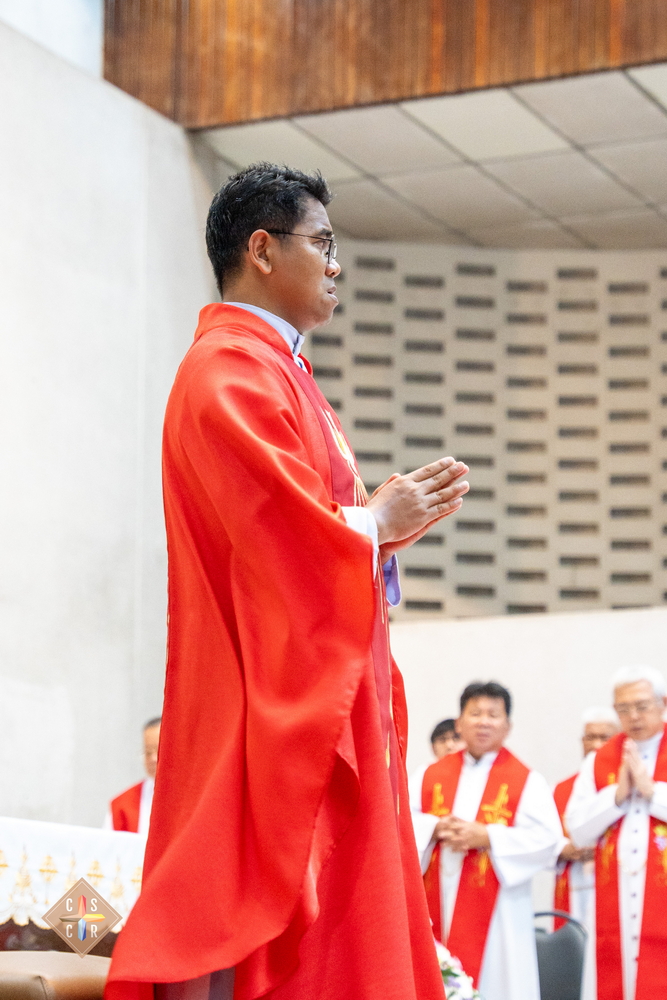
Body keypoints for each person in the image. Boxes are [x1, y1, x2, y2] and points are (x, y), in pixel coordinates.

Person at [106, 164, 470, 1000]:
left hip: (323, 683)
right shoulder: (227, 370)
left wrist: (379, 529)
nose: (337, 265)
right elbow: (271, 534)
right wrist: (368, 525)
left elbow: (310, 526)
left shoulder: (282, 372)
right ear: (262, 250)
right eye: (323, 243)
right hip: (262, 694)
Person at [411, 681, 562, 1000]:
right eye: (475, 713)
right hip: (438, 899)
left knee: (498, 981)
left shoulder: (527, 781)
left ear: (507, 726)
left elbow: (547, 840)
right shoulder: (428, 775)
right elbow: (401, 824)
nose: (483, 722)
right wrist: (434, 828)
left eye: (493, 715)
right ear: (459, 722)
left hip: (499, 912)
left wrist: (488, 836)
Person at [566, 666, 667, 1000]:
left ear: (663, 703)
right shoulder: (599, 761)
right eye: (623, 709)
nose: (633, 716)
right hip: (615, 902)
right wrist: (616, 797)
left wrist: (652, 792)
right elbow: (576, 829)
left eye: (641, 706)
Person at [553, 707, 619, 1000]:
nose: (596, 745)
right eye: (590, 737)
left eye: (605, 738)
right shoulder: (562, 789)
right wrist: (565, 849)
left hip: (613, 888)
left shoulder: (626, 786)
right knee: (572, 963)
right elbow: (545, 840)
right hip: (574, 887)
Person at [103, 717, 161, 834]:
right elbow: (108, 843)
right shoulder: (123, 804)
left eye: (159, 750)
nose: (153, 759)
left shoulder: (195, 798)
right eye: (148, 752)